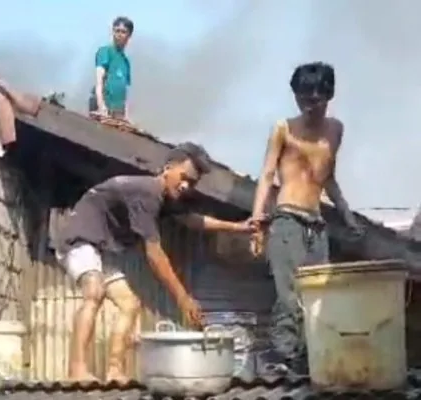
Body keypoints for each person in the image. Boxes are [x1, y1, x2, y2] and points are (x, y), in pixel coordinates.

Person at [55, 143, 254, 383]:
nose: (185, 186)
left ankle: (114, 370)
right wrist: (182, 298)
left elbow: (192, 221)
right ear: (168, 169)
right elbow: (154, 254)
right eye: (184, 178)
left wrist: (238, 227)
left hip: (102, 247)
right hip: (80, 238)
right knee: (94, 292)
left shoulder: (167, 198)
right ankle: (76, 370)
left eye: (192, 183)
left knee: (130, 305)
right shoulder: (147, 192)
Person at [249, 62, 363, 375]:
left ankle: (313, 362)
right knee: (289, 298)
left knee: (318, 299)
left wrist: (347, 214)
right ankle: (285, 365)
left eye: (315, 100)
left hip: (317, 225)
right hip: (286, 219)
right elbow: (267, 174)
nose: (309, 106)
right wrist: (257, 220)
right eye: (303, 99)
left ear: (328, 96)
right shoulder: (283, 128)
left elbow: (327, 177)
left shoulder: (335, 130)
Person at [89, 17, 133, 121]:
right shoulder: (105, 52)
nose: (119, 34)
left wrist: (126, 115)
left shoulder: (125, 61)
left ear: (129, 35)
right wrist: (101, 106)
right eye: (117, 30)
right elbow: (99, 82)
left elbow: (124, 92)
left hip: (118, 113)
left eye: (123, 32)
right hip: (105, 109)